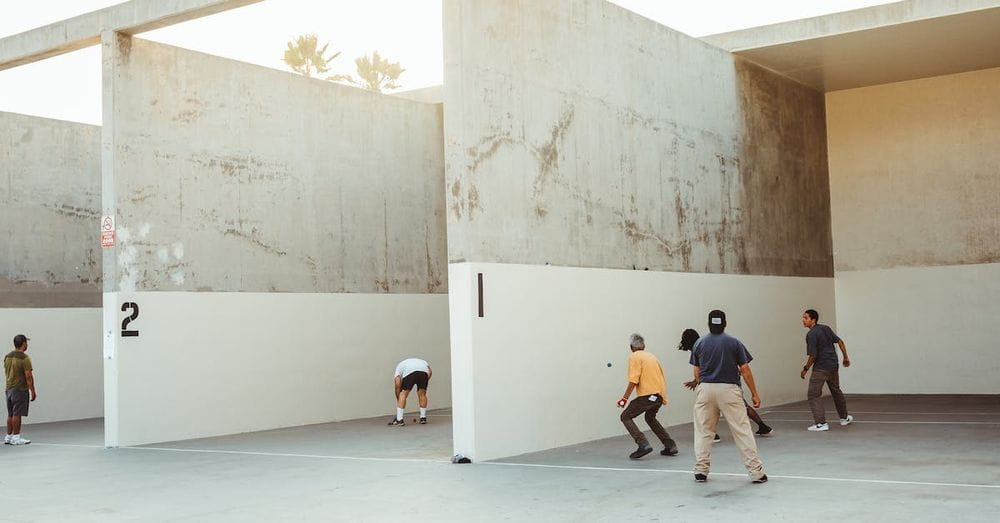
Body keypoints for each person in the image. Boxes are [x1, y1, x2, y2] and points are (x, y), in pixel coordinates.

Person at [689, 310, 767, 484]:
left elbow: (696, 371)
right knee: (741, 430)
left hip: (705, 389)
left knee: (704, 431)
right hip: (729, 389)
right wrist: (754, 393)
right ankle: (756, 472)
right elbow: (745, 370)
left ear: (709, 324)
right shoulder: (734, 342)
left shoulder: (699, 343)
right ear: (725, 323)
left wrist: (701, 384)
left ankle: (701, 470)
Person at [679, 328, 773, 438]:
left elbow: (702, 370)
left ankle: (712, 435)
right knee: (742, 406)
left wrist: (698, 381)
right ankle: (762, 426)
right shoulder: (710, 344)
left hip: (712, 384)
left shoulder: (698, 347)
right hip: (729, 382)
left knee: (708, 411)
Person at [616, 334, 678, 459]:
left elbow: (634, 380)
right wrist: (662, 396)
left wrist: (624, 399)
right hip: (658, 395)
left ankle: (643, 444)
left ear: (631, 347)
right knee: (650, 418)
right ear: (643, 345)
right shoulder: (651, 356)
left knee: (625, 416)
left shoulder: (635, 357)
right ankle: (670, 445)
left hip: (647, 396)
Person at [800, 309, 853, 431]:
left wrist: (805, 368)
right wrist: (845, 357)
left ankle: (821, 423)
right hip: (833, 366)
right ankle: (844, 418)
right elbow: (840, 341)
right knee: (836, 391)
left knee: (813, 394)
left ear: (813, 320)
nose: (803, 320)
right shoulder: (826, 328)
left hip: (821, 368)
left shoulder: (811, 334)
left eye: (806, 318)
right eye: (803, 318)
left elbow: (813, 355)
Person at [5, 334, 36, 445]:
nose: (27, 344)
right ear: (23, 343)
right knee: (17, 413)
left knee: (11, 413)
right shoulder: (25, 358)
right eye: (26, 342)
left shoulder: (7, 356)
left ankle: (8, 437)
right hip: (19, 389)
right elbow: (28, 376)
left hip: (9, 388)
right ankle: (16, 437)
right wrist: (32, 390)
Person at [388, 358, 432, 426]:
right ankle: (423, 418)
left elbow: (397, 385)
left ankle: (399, 419)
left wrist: (399, 398)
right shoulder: (422, 362)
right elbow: (430, 371)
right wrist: (425, 380)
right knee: (422, 394)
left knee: (403, 393)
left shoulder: (398, 368)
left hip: (410, 371)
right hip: (424, 371)